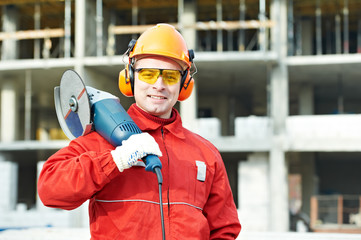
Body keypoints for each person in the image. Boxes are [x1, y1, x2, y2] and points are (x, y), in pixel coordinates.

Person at [38, 23, 241, 239]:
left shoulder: (206, 154)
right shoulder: (101, 142)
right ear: (130, 78)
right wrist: (115, 161)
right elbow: (50, 190)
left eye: (170, 76)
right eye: (148, 74)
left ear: (184, 84)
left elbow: (224, 229)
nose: (159, 85)